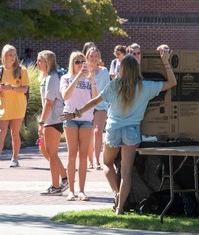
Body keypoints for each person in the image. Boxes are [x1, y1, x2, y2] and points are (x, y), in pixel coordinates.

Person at [61, 45, 177, 215]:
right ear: (137, 69)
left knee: (107, 163)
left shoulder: (115, 85)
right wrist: (166, 62)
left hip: (113, 128)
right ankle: (120, 207)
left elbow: (95, 101)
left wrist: (75, 113)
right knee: (126, 171)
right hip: (132, 131)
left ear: (121, 68)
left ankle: (116, 194)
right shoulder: (145, 86)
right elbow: (173, 83)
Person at [60, 51, 98, 201]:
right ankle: (71, 190)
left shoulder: (89, 79)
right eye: (76, 62)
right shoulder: (66, 78)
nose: (80, 64)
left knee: (83, 156)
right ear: (71, 64)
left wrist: (92, 80)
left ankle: (81, 190)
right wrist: (77, 77)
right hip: (70, 118)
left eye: (82, 61)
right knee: (72, 155)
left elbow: (95, 99)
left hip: (87, 119)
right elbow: (65, 96)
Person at [0, 44, 29, 168]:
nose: (13, 57)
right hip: (3, 107)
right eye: (10, 55)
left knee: (15, 133)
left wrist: (11, 87)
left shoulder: (22, 70)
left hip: (18, 106)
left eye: (14, 54)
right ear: (4, 56)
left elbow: (25, 89)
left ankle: (15, 158)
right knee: (1, 132)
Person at [36, 50, 69, 196]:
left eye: (39, 60)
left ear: (47, 62)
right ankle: (65, 177)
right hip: (49, 120)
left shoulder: (52, 78)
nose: (37, 63)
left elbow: (49, 103)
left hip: (52, 120)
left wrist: (41, 122)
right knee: (44, 150)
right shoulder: (48, 77)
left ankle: (55, 187)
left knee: (52, 153)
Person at [86, 47, 111, 170]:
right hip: (87, 106)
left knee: (97, 131)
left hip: (101, 105)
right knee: (89, 132)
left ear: (99, 57)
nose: (94, 58)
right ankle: (89, 160)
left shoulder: (104, 71)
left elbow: (108, 88)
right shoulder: (84, 71)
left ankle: (96, 160)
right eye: (91, 56)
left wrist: (108, 103)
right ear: (87, 56)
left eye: (96, 56)